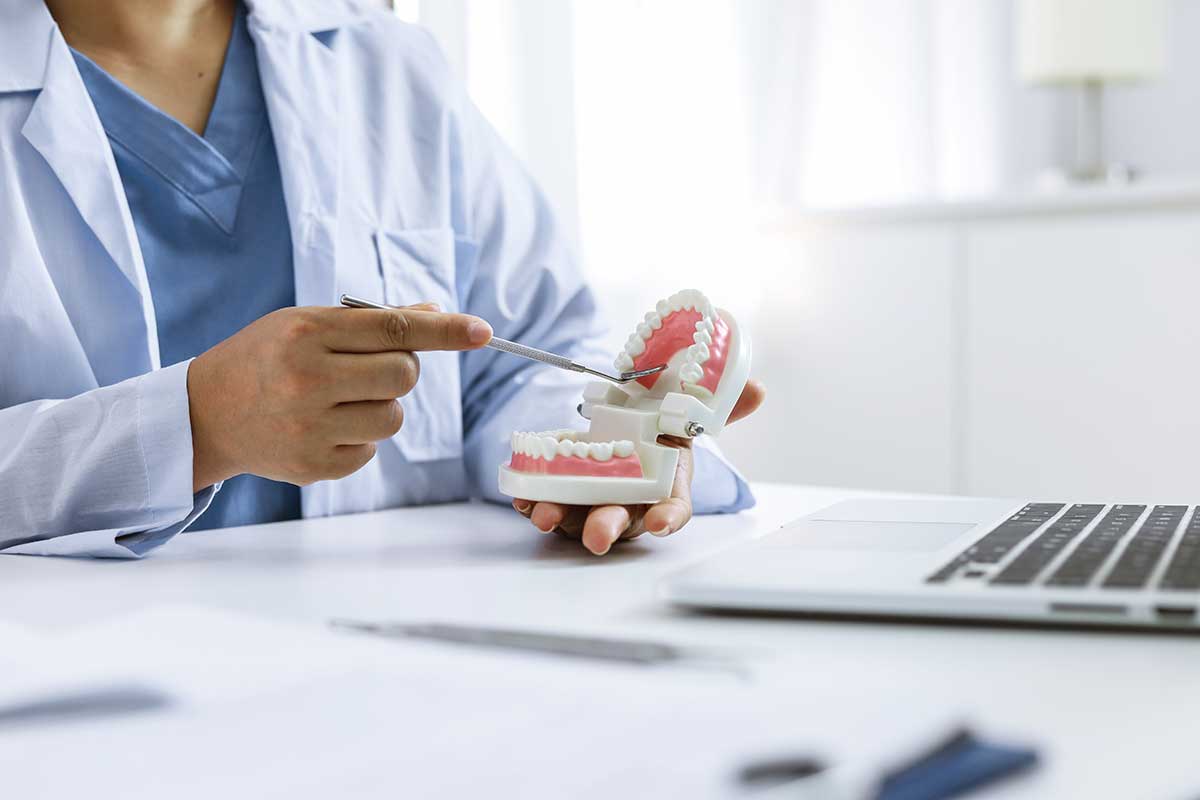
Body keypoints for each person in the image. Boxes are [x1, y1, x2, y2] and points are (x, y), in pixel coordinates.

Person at [0, 0, 764, 558]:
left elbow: (521, 359)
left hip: (385, 646)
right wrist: (195, 427)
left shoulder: (389, 63)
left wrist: (600, 457)